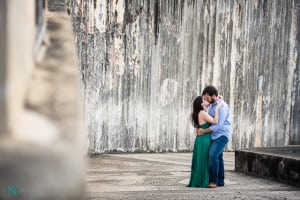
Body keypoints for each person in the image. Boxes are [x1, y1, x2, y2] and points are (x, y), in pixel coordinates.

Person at [196, 85, 231, 188]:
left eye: (208, 97)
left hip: (222, 135)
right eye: (205, 97)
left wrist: (204, 131)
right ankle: (220, 181)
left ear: (214, 96)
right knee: (219, 157)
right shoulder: (212, 105)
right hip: (214, 135)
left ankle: (213, 181)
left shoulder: (222, 106)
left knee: (212, 155)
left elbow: (219, 125)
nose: (206, 99)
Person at [188, 96, 223, 187]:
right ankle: (204, 180)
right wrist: (217, 108)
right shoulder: (202, 113)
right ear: (201, 104)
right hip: (204, 140)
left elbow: (198, 127)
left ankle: (201, 179)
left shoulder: (198, 113)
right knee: (204, 160)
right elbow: (215, 121)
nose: (206, 100)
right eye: (204, 100)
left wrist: (218, 99)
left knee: (201, 160)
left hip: (200, 140)